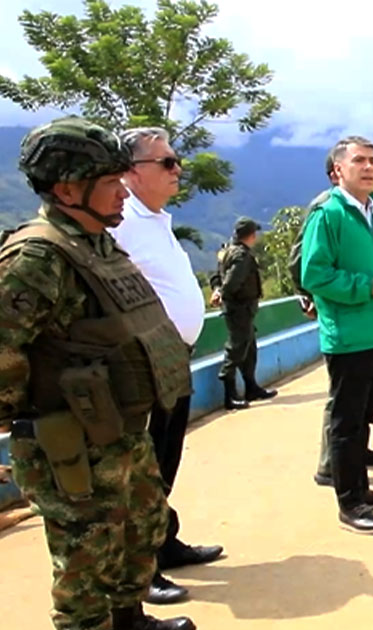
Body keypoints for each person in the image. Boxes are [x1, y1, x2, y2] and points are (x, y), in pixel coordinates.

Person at [0, 117, 199, 630]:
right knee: (85, 553)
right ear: (66, 190)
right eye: (109, 180)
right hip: (69, 440)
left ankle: (129, 623)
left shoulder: (98, 240)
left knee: (138, 528)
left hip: (118, 430)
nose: (122, 190)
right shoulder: (37, 258)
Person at [112, 126, 223, 605]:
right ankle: (141, 566)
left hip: (173, 359)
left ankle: (163, 541)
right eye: (167, 162)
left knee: (165, 460)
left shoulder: (153, 218)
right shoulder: (122, 223)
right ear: (132, 172)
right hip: (140, 366)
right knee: (142, 469)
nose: (178, 169)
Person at [300, 135, 373, 535]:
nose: (368, 167)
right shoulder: (328, 214)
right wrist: (370, 287)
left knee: (364, 417)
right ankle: (350, 504)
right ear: (337, 170)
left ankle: (361, 487)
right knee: (345, 422)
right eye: (359, 160)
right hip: (349, 335)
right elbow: (315, 274)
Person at [210, 217, 278, 409]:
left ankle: (251, 387)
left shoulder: (227, 252)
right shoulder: (242, 256)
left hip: (240, 309)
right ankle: (229, 395)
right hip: (240, 308)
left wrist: (217, 290)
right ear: (251, 235)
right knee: (237, 348)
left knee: (248, 348)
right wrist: (223, 293)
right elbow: (232, 281)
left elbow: (216, 276)